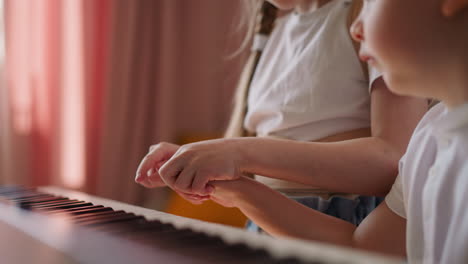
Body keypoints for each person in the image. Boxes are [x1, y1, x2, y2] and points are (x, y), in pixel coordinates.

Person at [190, 0, 468, 262]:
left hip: (339, 216)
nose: (358, 28)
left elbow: (390, 157)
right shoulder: (428, 140)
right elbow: (363, 246)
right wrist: (231, 182)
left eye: (372, 2)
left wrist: (239, 153)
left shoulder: (354, 24)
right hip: (276, 225)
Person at [135, 0, 427, 227]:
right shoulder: (277, 31)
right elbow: (264, 164)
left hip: (342, 223)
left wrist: (238, 150)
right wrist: (197, 160)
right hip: (264, 223)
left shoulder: (368, 18)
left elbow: (395, 158)